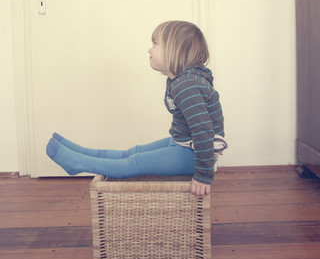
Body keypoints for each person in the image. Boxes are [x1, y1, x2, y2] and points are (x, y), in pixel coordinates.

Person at [46, 20, 227, 196]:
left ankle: (78, 162)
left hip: (194, 155)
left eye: (156, 44)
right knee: (134, 152)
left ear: (175, 51)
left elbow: (203, 130)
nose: (150, 49)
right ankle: (82, 152)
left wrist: (203, 175)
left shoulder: (188, 86)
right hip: (182, 143)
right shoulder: (181, 81)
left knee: (135, 162)